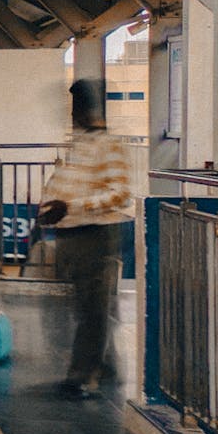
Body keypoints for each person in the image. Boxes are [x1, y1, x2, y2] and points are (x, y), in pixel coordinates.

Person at [38, 79, 132, 400]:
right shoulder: (80, 144)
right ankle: (106, 366)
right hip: (72, 236)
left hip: (95, 236)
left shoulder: (109, 145)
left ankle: (82, 376)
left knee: (93, 308)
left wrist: (71, 206)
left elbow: (119, 193)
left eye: (79, 105)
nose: (74, 112)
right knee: (90, 306)